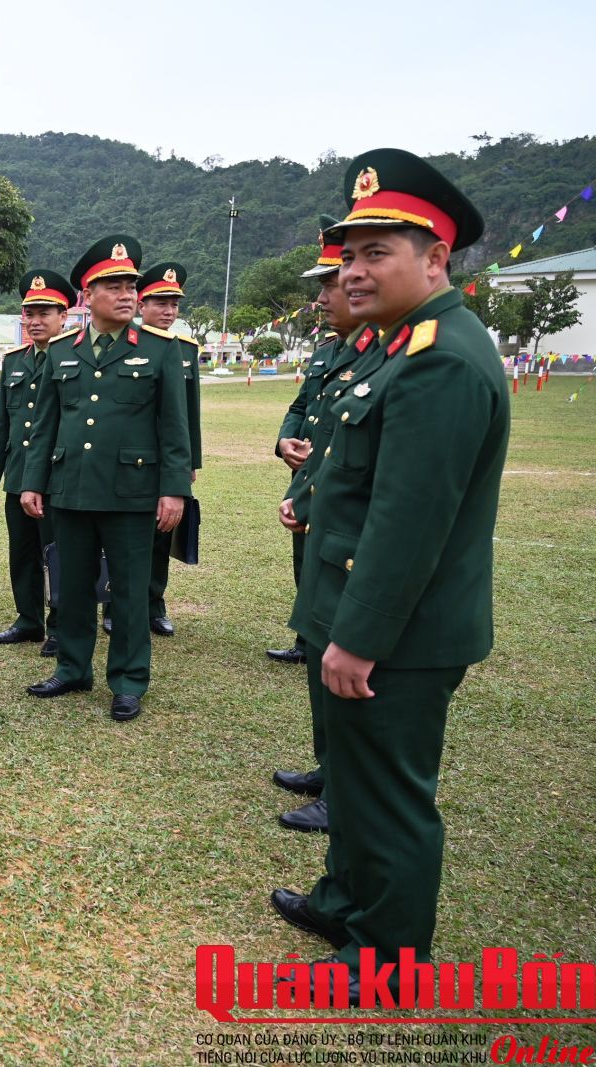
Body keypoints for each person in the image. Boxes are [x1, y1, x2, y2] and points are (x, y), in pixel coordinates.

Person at [268, 148, 507, 989]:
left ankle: (388, 959)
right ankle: (346, 901)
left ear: (436, 257)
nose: (353, 271)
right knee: (357, 780)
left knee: (391, 796)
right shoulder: (395, 345)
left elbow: (410, 523)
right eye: (349, 254)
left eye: (377, 252)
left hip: (399, 632)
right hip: (360, 611)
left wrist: (358, 638)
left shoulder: (441, 356)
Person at [21, 235, 190, 722]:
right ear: (87, 296)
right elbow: (45, 425)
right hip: (71, 489)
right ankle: (73, 669)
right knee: (73, 586)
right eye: (113, 286)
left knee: (130, 591)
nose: (126, 295)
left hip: (131, 492)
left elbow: (174, 428)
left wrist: (174, 490)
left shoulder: (159, 349)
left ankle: (129, 680)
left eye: (130, 286)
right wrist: (33, 481)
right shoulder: (61, 351)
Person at [269, 216, 374, 835]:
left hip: (351, 539)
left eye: (332, 282)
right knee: (318, 650)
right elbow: (310, 423)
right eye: (329, 282)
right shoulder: (335, 353)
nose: (327, 295)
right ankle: (329, 768)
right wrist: (294, 475)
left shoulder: (388, 359)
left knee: (342, 659)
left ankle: (346, 789)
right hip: (317, 513)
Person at [103, 262, 200, 637]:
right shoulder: (121, 345)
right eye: (160, 303)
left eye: (174, 304)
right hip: (129, 459)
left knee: (162, 533)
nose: (169, 311)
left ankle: (154, 603)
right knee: (117, 537)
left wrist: (189, 463)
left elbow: (188, 415)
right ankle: (113, 603)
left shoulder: (185, 350)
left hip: (168, 460)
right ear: (141, 305)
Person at [0, 269, 75, 657]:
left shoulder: (74, 358)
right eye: (29, 314)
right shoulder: (15, 361)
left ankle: (61, 625)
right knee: (22, 551)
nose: (35, 321)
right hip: (19, 473)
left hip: (58, 477)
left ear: (63, 316)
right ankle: (28, 619)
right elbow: (1, 422)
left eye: (44, 313)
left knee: (58, 553)